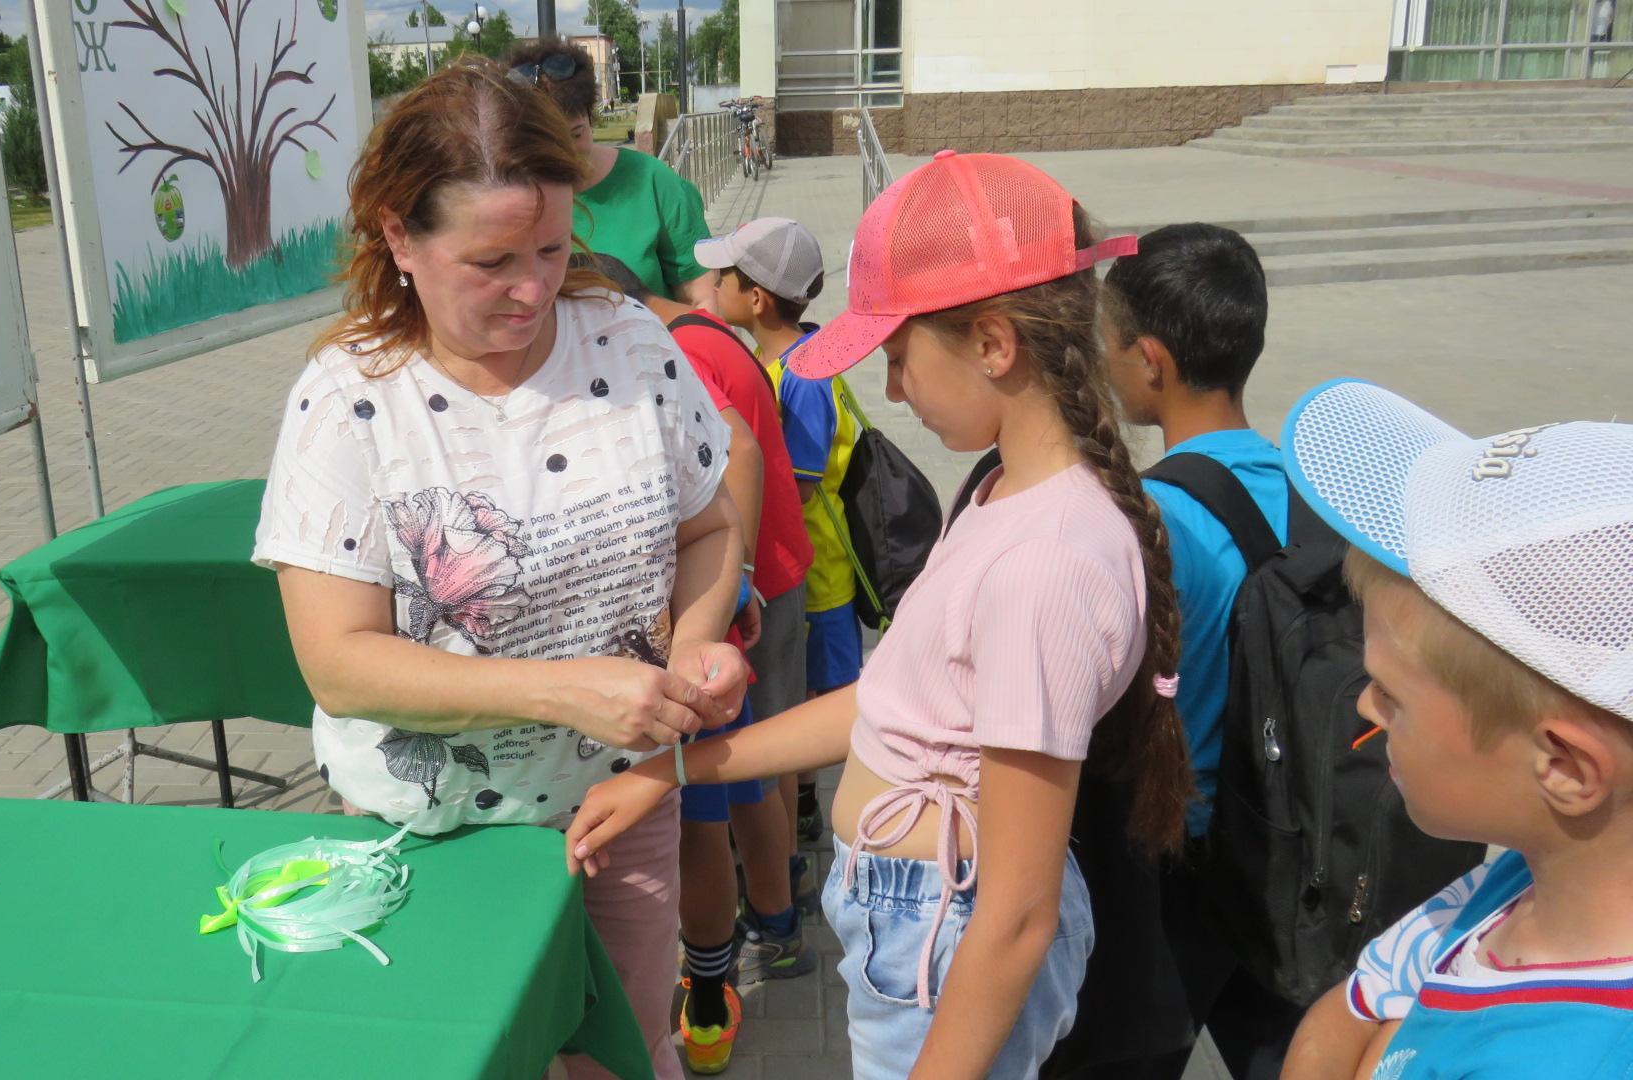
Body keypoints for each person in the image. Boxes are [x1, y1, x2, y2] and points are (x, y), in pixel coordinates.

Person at [564, 151, 1196, 1079]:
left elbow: (1016, 915)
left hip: (947, 941)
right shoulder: (1000, 495)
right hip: (921, 925)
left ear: (992, 342)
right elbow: (890, 700)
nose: (894, 390)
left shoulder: (1043, 565)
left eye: (900, 357)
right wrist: (673, 771)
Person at [250, 61, 748, 1080]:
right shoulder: (350, 397)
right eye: (490, 262)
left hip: (622, 803)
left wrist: (693, 656)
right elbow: (340, 665)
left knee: (621, 1053)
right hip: (434, 838)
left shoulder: (629, 337)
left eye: (555, 249)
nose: (532, 290)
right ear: (399, 238)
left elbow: (710, 527)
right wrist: (563, 692)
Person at [1271, 380, 1633, 1078]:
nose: (1366, 710)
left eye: (1391, 693)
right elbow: (1345, 1010)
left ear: (1562, 767)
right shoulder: (1531, 880)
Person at [1054, 223, 1303, 1077]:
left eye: (1111, 345)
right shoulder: (1307, 484)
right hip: (1290, 840)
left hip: (1184, 863)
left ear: (1150, 362)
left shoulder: (1152, 523)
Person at [584, 252, 817, 1072]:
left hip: (716, 622)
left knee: (703, 821)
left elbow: (739, 453)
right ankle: (779, 920)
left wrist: (729, 586)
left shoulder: (655, 348)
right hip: (735, 610)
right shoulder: (695, 336)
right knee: (748, 783)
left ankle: (718, 981)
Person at [700, 217, 858, 847]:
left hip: (817, 574)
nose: (713, 284)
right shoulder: (779, 361)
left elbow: (800, 483)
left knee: (813, 697)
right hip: (806, 565)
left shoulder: (803, 375)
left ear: (757, 298)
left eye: (725, 277)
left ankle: (812, 814)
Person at [504, 38, 715, 309]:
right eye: (548, 141)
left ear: (590, 118)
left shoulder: (651, 181)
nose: (565, 153)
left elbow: (701, 296)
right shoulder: (508, 197)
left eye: (576, 134)